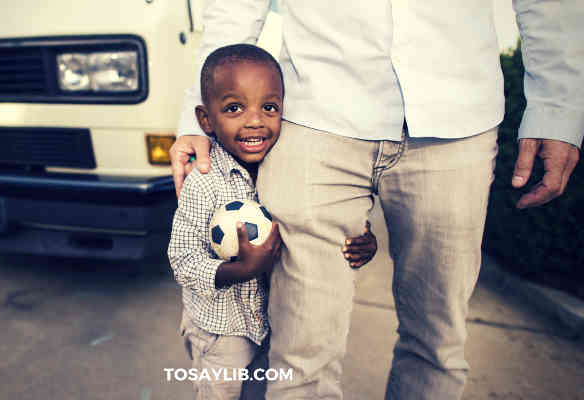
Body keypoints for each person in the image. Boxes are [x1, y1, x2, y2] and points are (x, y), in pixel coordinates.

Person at [171, 1, 583, 399]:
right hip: (316, 115)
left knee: (437, 344)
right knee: (300, 351)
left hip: (459, 118)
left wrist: (557, 109)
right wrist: (198, 115)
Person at [167, 43, 378, 400]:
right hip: (222, 334)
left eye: (269, 108)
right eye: (234, 108)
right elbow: (182, 260)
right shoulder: (203, 181)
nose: (254, 120)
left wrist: (364, 240)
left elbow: (319, 217)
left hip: (273, 323)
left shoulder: (286, 168)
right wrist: (240, 270)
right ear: (206, 120)